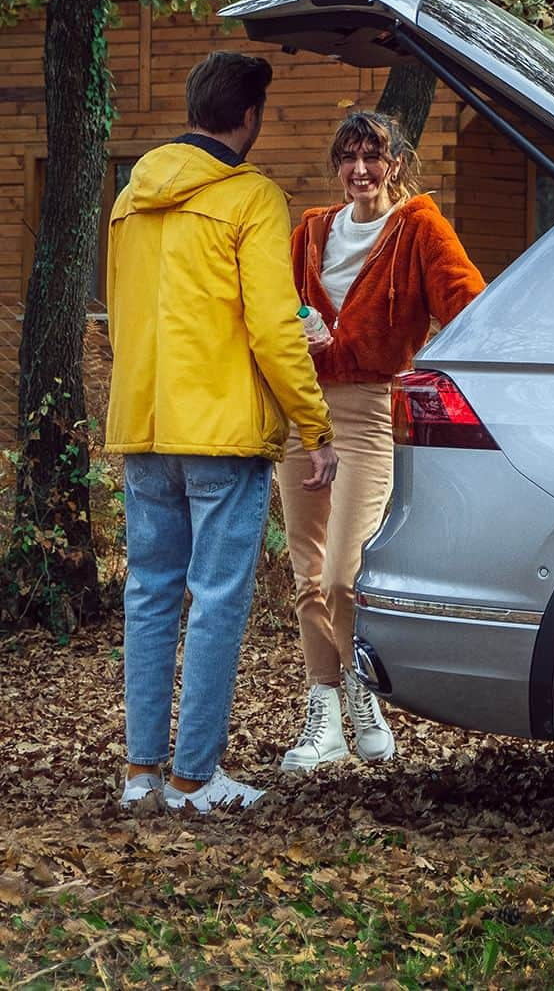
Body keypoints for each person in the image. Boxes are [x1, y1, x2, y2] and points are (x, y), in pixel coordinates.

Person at [106, 51, 338, 814]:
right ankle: (195, 778)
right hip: (224, 434)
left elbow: (121, 320)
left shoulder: (128, 202)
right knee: (214, 603)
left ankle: (142, 775)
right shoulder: (251, 196)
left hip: (144, 425)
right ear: (248, 117)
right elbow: (275, 327)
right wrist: (315, 423)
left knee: (149, 597)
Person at [277, 109, 484, 772]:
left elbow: (469, 311)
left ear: (397, 164)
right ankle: (324, 714)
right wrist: (299, 329)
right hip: (302, 415)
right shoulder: (310, 230)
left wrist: (422, 378)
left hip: (370, 413)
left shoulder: (421, 228)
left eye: (374, 156)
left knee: (343, 575)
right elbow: (270, 308)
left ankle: (363, 693)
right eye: (348, 156)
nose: (359, 169)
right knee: (307, 574)